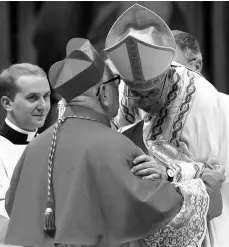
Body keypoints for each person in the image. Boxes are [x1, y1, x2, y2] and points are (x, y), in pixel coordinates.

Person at [3, 38, 224, 247]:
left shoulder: (36, 147)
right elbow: (158, 213)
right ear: (104, 93)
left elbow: (13, 205)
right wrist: (206, 186)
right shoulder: (116, 147)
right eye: (116, 83)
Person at [104, 3, 229, 247]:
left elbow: (215, 172)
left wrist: (168, 172)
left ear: (168, 76)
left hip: (196, 219)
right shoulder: (124, 90)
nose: (142, 102)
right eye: (135, 93)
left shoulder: (200, 100)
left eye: (150, 93)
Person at [0, 63, 51, 246]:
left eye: (46, 96)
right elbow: (4, 228)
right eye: (32, 98)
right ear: (7, 103)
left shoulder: (56, 144)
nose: (43, 106)